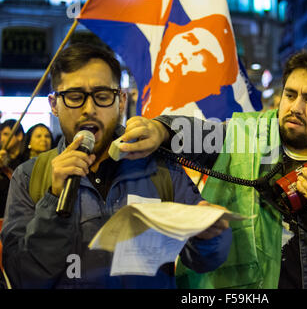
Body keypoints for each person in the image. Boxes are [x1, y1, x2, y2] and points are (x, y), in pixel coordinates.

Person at [136, 48, 307, 289]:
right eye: (290, 95)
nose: (295, 108)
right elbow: (193, 134)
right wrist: (160, 129)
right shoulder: (246, 135)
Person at [0, 43, 231, 289]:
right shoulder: (29, 176)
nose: (89, 110)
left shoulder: (161, 167)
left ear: (120, 101)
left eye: (102, 97)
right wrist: (53, 201)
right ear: (54, 105)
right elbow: (22, 276)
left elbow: (204, 261)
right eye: (75, 97)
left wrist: (210, 237)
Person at [0, 119, 26, 218]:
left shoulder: (26, 160)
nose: (2, 138)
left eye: (6, 134)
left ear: (19, 136)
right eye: (1, 134)